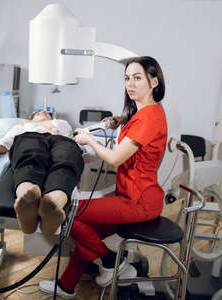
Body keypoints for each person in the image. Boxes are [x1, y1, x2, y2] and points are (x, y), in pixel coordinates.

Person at [39, 56, 168, 299]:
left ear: (154, 82)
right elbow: (131, 139)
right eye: (127, 78)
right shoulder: (142, 113)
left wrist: (90, 141)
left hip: (139, 202)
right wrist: (117, 122)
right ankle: (66, 286)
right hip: (130, 195)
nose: (130, 83)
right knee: (88, 230)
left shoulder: (150, 116)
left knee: (69, 212)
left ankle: (111, 262)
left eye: (138, 78)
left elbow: (116, 159)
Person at [0, 110, 84, 235]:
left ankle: (53, 204)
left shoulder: (60, 122)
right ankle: (27, 198)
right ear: (32, 117)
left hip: (61, 140)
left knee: (66, 159)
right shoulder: (24, 125)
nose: (42, 112)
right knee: (30, 156)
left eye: (45, 112)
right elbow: (7, 140)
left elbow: (71, 136)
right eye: (37, 113)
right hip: (31, 136)